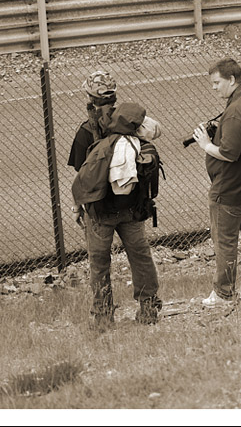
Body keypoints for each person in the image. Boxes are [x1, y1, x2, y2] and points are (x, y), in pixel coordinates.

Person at [70, 97, 163, 330]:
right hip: (132, 212)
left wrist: (77, 207)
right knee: (140, 258)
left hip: (100, 214)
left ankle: (103, 317)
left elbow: (82, 180)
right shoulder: (142, 147)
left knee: (99, 263)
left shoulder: (100, 145)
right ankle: (149, 308)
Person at [194, 58, 241, 308]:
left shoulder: (236, 110)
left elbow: (229, 153)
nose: (213, 88)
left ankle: (224, 293)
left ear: (231, 79)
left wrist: (206, 144)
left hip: (231, 190)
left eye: (217, 83)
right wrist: (223, 128)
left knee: (225, 240)